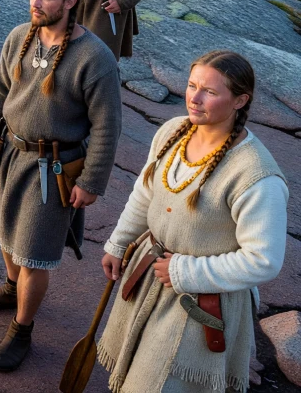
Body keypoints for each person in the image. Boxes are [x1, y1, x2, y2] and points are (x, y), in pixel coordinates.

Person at [97, 50, 286, 393]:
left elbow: (264, 260)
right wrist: (119, 242)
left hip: (199, 301)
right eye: (191, 85)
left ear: (240, 100)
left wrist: (185, 272)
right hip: (149, 274)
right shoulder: (174, 130)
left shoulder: (256, 175)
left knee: (158, 384)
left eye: (210, 92)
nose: (194, 99)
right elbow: (145, 192)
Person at [0, 0, 121, 371]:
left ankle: (22, 327)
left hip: (53, 169)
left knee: (34, 252)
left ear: (70, 3)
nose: (35, 3)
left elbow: (107, 126)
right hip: (9, 154)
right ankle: (11, 287)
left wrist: (91, 181)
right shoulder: (20, 37)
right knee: (5, 228)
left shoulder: (94, 57)